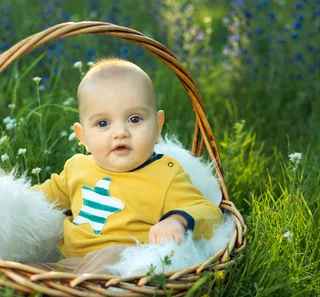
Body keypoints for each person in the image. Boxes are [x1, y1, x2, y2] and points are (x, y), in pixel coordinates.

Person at [27, 57, 223, 275]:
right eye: (103, 123)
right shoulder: (77, 167)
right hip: (68, 264)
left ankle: (78, 295)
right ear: (83, 136)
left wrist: (177, 220)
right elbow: (37, 200)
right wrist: (6, 205)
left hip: (122, 264)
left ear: (158, 127)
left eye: (135, 119)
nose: (120, 132)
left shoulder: (166, 175)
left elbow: (210, 211)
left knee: (112, 256)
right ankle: (55, 291)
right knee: (21, 271)